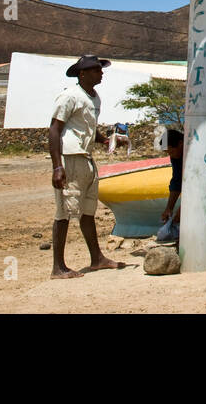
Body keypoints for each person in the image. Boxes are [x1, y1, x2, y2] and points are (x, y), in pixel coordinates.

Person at [48, 55, 124, 279]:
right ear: (83, 74)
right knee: (65, 212)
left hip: (86, 158)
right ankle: (58, 267)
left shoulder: (94, 98)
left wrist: (104, 140)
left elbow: (88, 128)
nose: (100, 73)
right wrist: (57, 166)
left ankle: (97, 259)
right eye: (96, 70)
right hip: (70, 158)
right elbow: (54, 129)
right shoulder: (69, 96)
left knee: (88, 210)